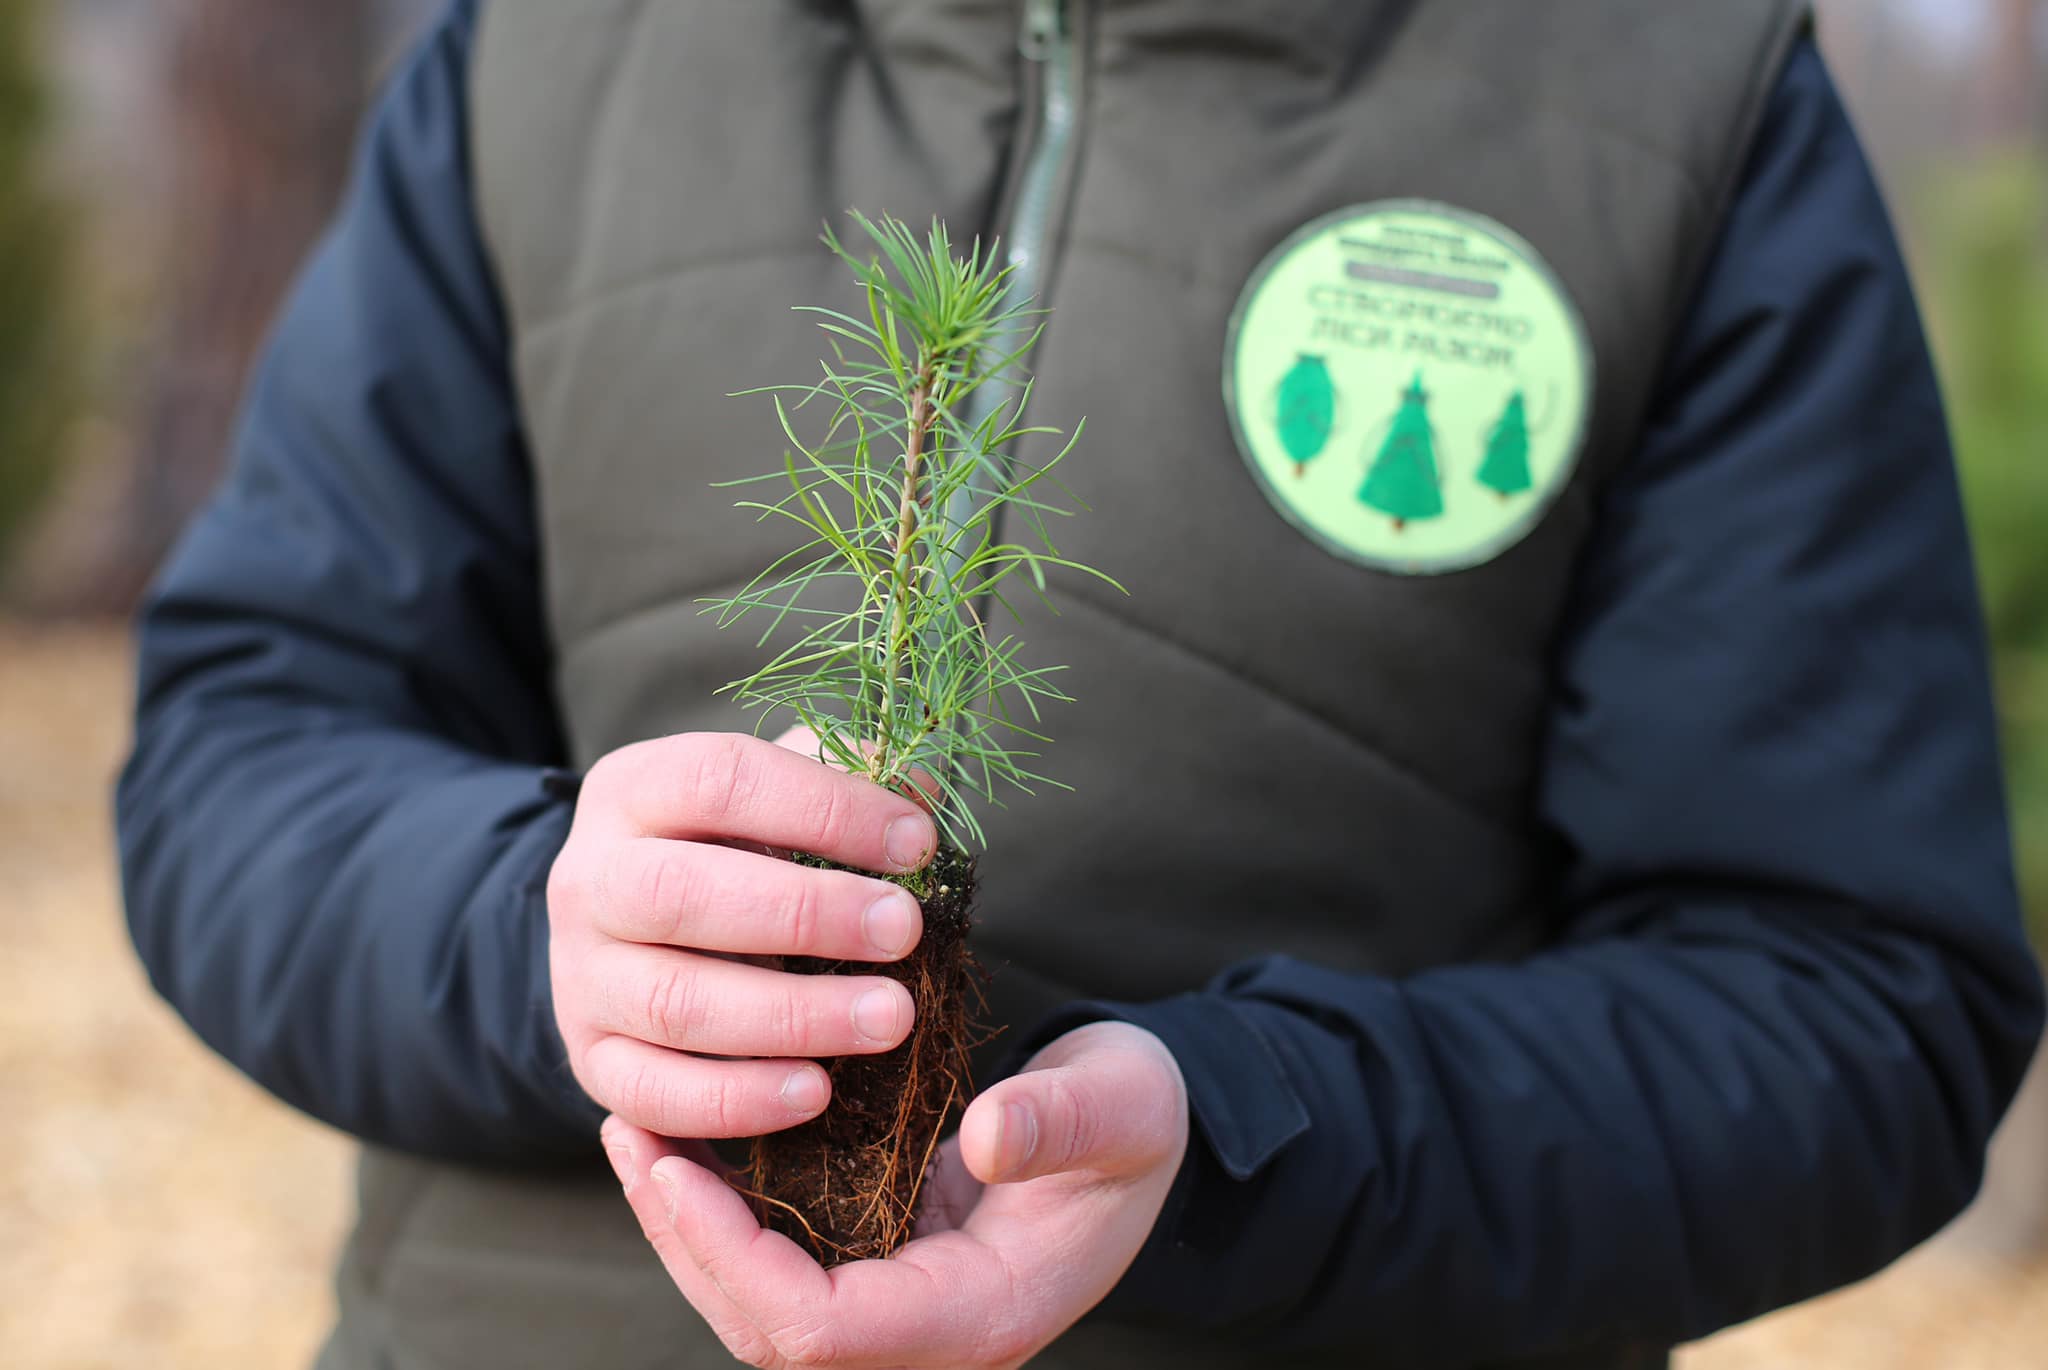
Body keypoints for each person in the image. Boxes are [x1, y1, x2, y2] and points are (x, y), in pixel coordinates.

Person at [117, 2, 2045, 1368]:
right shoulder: (553, 45)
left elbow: (1857, 1004)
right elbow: (240, 748)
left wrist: (1248, 1133)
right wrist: (534, 931)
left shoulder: (1676, 93)